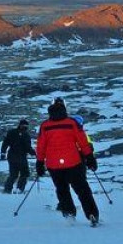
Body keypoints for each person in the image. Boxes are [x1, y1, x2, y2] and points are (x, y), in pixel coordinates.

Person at [37, 97, 100, 226]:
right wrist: (90, 158)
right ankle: (91, 214)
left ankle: (69, 214)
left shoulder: (45, 126)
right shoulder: (72, 123)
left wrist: (39, 162)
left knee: (62, 189)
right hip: (73, 162)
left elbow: (41, 146)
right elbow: (83, 142)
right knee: (82, 189)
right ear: (65, 108)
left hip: (53, 164)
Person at [0, 119, 35, 193]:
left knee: (13, 174)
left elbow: (5, 143)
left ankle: (8, 189)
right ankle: (19, 189)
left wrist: (3, 153)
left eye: (26, 126)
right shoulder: (26, 135)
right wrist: (34, 153)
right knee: (24, 174)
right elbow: (27, 147)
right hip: (21, 157)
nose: (25, 127)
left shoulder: (12, 132)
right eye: (24, 125)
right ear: (20, 125)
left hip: (12, 156)